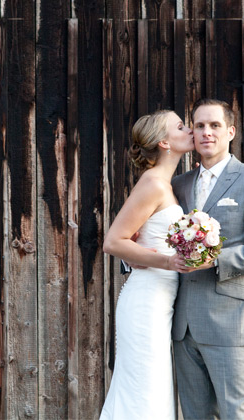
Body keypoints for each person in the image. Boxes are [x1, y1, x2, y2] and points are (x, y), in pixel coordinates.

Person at [170, 98, 244, 419]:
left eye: (215, 125)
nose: (207, 132)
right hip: (183, 328)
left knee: (237, 414)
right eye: (200, 126)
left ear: (231, 131)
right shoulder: (178, 185)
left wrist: (217, 260)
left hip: (230, 324)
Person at [99, 109, 194, 420]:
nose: (189, 129)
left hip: (162, 300)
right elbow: (114, 241)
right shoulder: (153, 183)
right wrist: (168, 261)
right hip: (146, 302)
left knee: (153, 389)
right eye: (181, 126)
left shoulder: (168, 184)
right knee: (145, 390)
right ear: (164, 142)